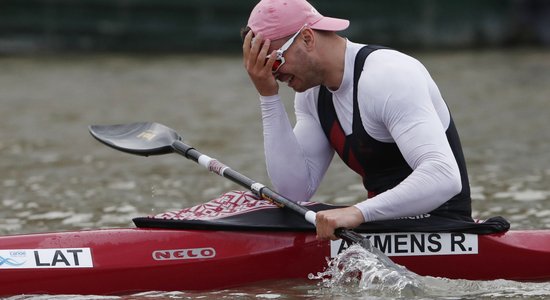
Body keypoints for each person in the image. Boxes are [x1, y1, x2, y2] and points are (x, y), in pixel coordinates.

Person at [241, 0, 472, 241]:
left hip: (443, 228)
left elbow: (444, 176)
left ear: (307, 38)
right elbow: (294, 191)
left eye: (273, 62)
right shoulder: (312, 95)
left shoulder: (389, 76)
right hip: (379, 224)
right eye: (262, 67)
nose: (273, 75)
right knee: (269, 212)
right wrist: (267, 96)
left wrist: (357, 212)